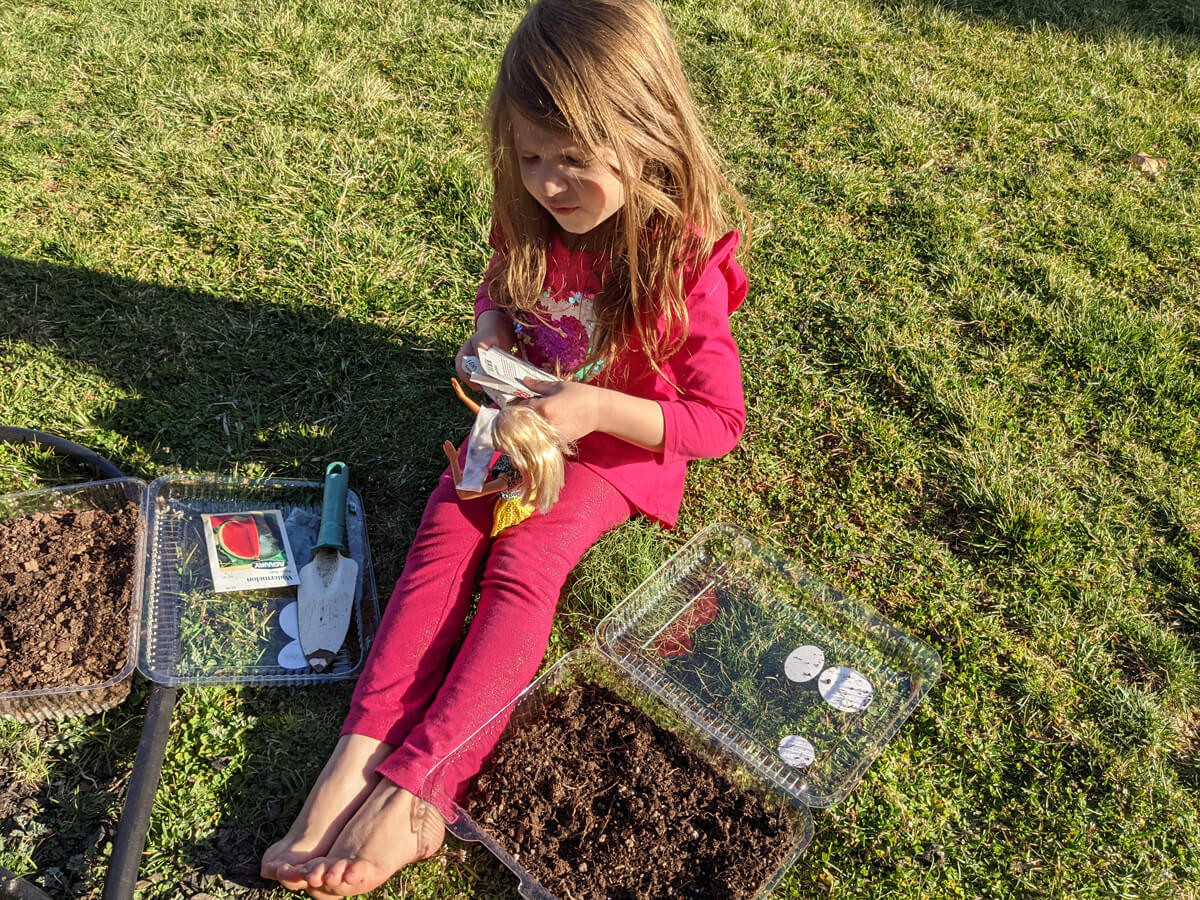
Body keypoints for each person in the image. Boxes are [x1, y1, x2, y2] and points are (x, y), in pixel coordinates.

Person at [260, 0, 749, 895]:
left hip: (612, 445)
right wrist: (490, 341)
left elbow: (715, 426)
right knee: (443, 542)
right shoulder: (529, 214)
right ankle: (355, 758)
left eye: (572, 160)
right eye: (530, 158)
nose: (549, 185)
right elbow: (502, 283)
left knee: (524, 565)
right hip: (520, 418)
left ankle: (422, 789)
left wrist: (594, 405)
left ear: (643, 138)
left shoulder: (681, 261)